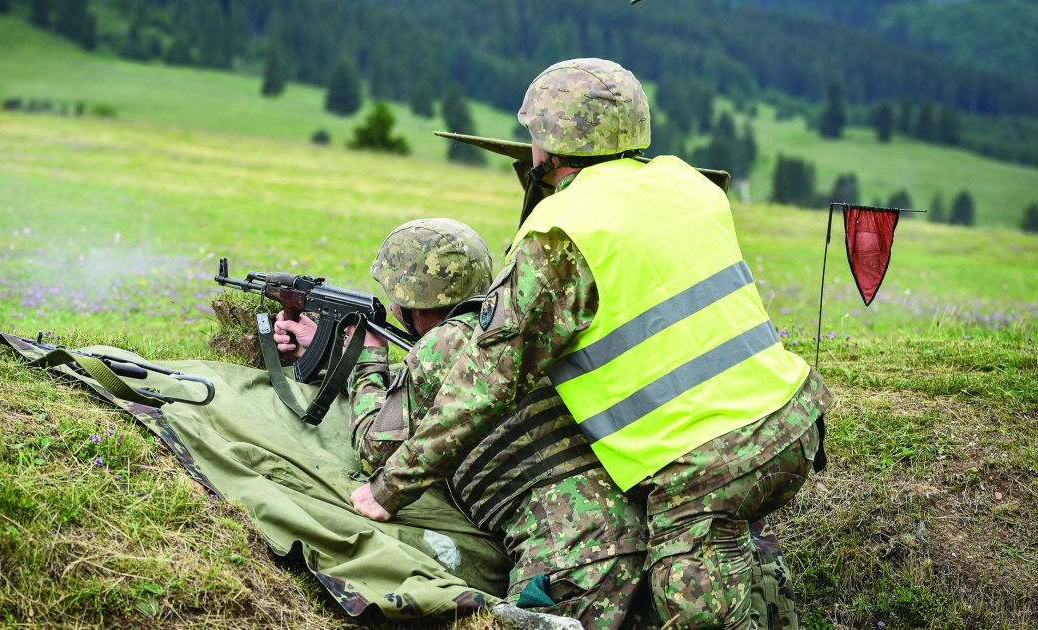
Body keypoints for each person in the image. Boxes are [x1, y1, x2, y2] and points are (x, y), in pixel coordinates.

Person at [342, 58, 832, 630]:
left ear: (546, 148)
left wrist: (388, 488)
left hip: (705, 466)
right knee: (731, 567)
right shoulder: (686, 184)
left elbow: (487, 382)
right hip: (795, 420)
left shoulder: (562, 231)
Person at [275, 218, 651, 630]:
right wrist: (331, 351)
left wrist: (365, 360)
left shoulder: (445, 343)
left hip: (570, 549)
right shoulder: (519, 324)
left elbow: (374, 449)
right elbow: (439, 392)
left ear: (409, 305)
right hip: (624, 525)